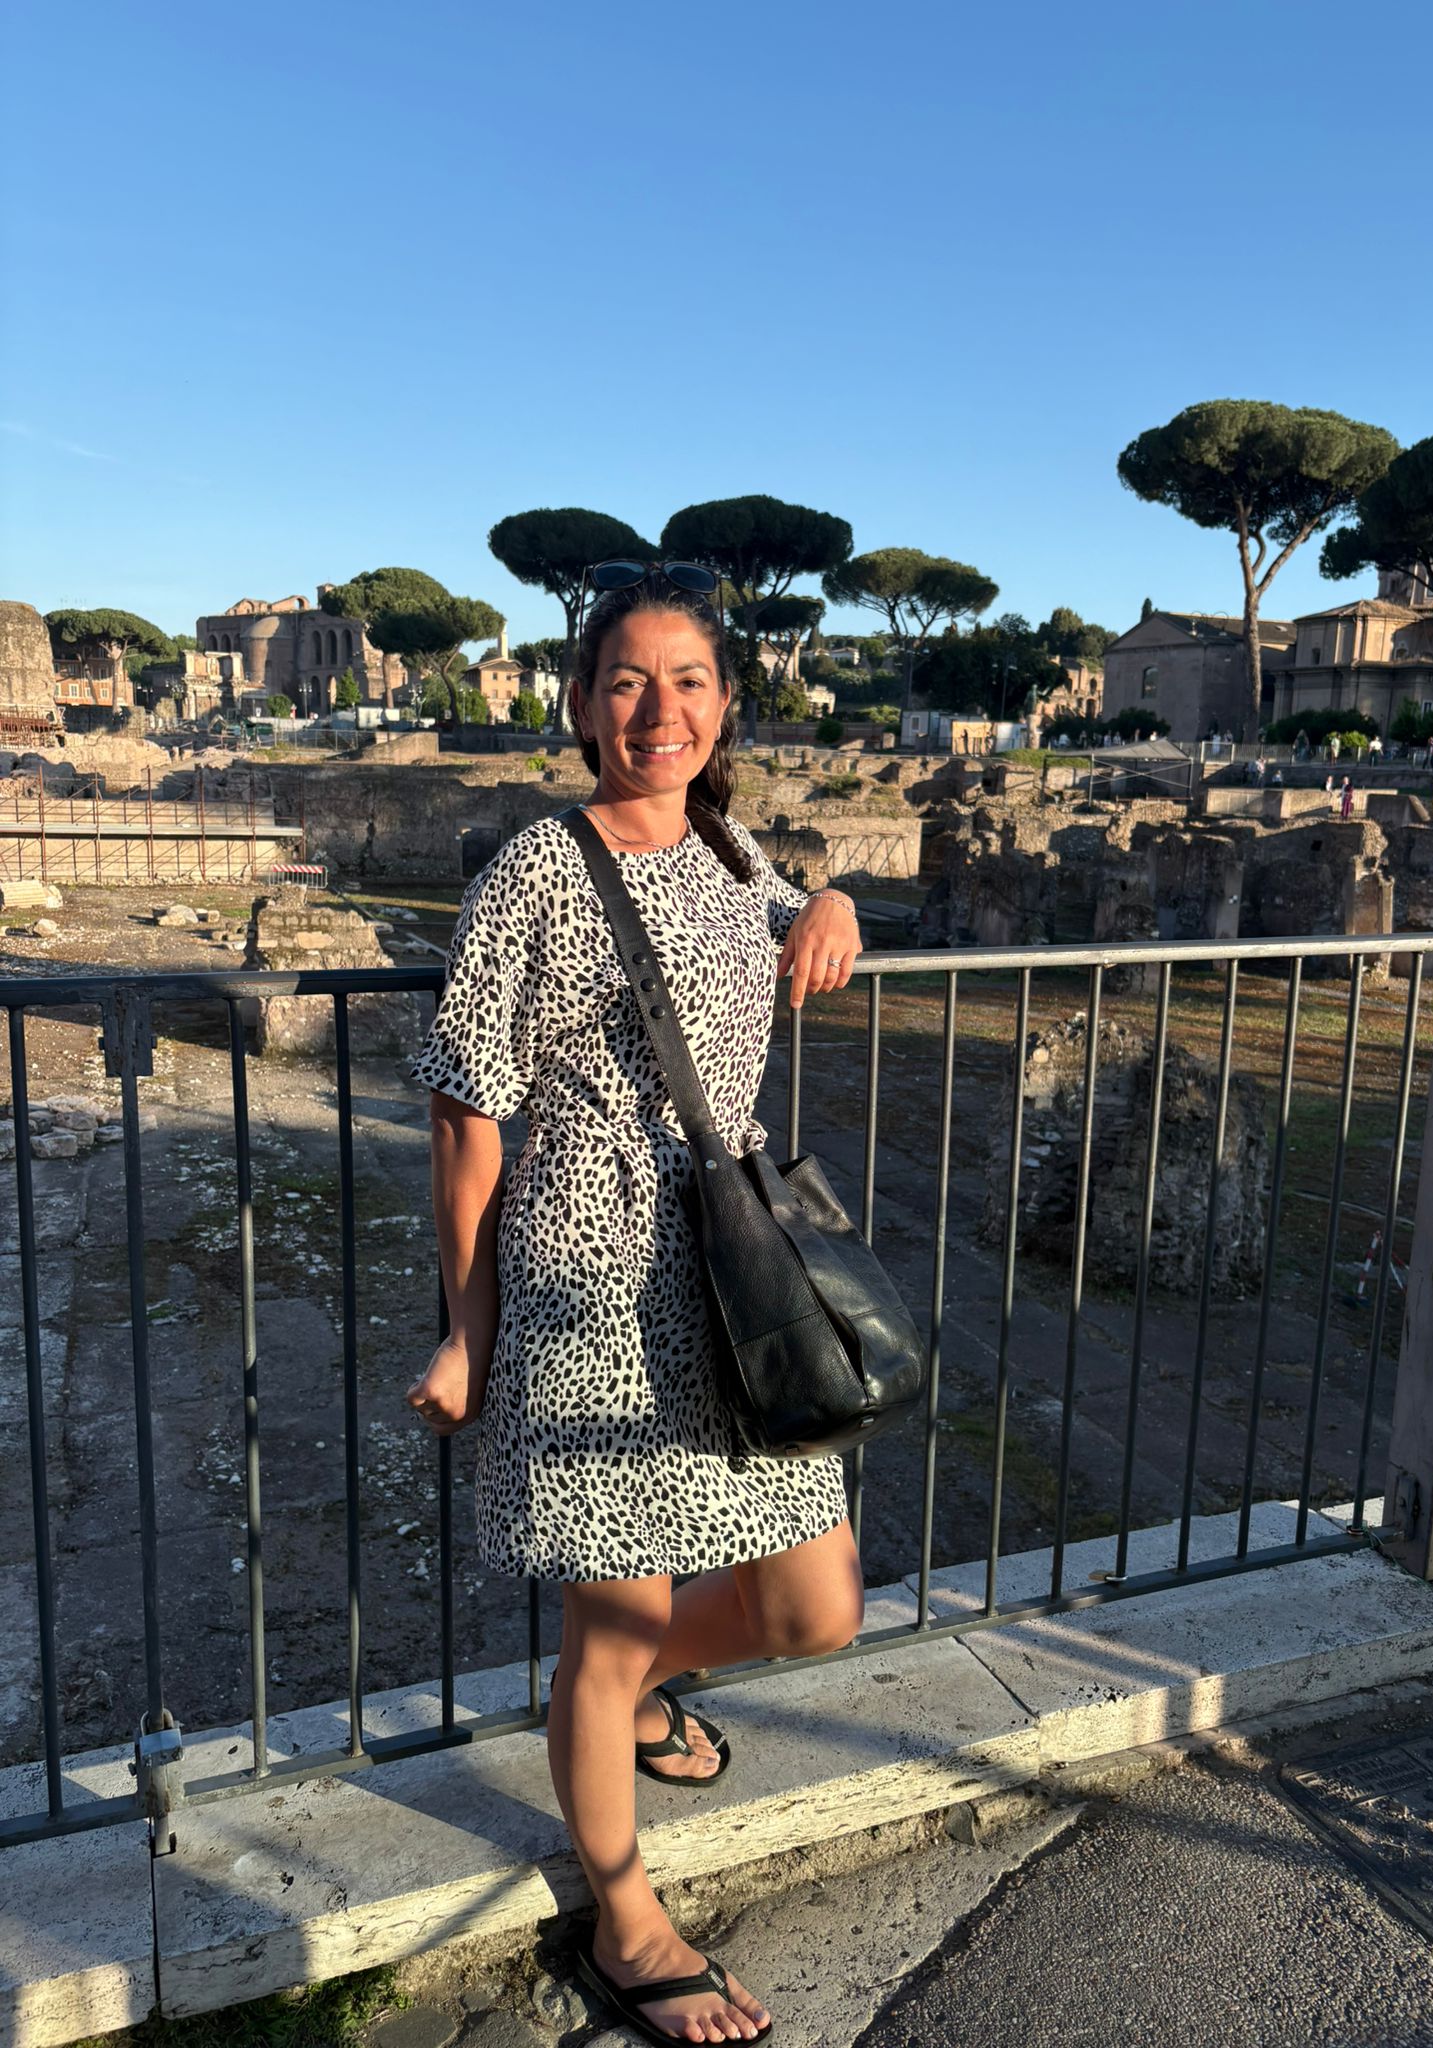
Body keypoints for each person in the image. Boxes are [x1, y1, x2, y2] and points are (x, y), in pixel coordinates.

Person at [406, 565, 865, 2044]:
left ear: (727, 705)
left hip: (735, 1275)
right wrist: (468, 1330)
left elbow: (798, 910)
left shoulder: (736, 850)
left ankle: (637, 1691)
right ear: (580, 701)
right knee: (610, 1631)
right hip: (592, 1277)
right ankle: (626, 1919)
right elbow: (467, 1115)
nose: (655, 712)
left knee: (818, 1610)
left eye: (687, 682)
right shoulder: (537, 869)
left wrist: (838, 898)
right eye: (624, 681)